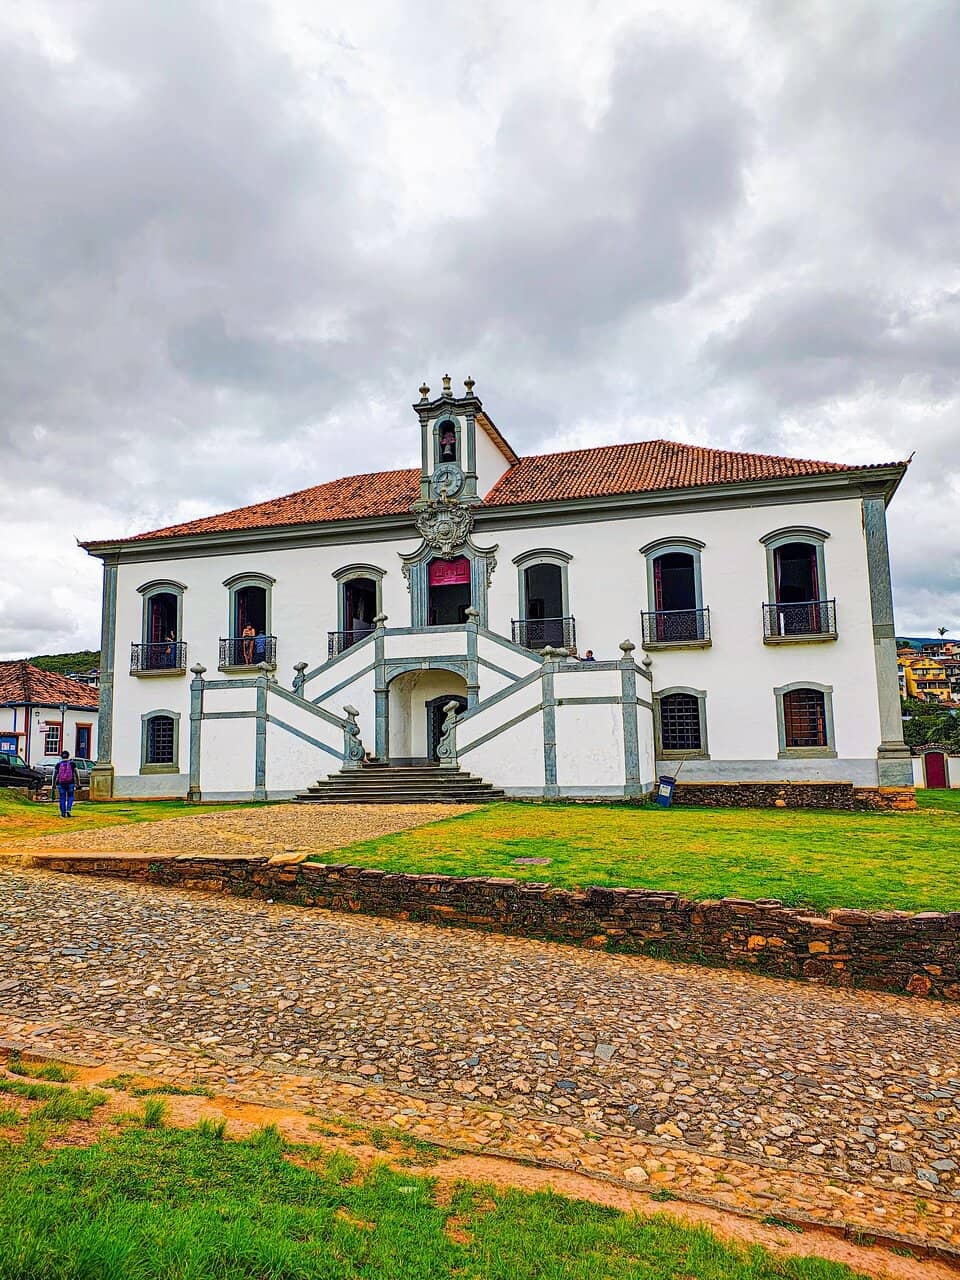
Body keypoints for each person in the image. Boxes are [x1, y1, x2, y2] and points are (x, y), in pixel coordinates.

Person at [53, 750, 77, 818]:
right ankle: (68, 809)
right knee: (71, 796)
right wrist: (78, 782)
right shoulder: (72, 764)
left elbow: (54, 775)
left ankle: (63, 813)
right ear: (68, 756)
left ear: (61, 756)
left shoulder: (58, 764)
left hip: (61, 783)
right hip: (70, 783)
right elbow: (76, 773)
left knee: (62, 798)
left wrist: (53, 784)